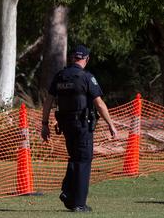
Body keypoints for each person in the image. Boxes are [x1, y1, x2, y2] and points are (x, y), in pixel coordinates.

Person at [41, 45, 118, 212]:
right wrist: (111, 124)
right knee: (84, 160)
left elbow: (48, 101)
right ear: (87, 59)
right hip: (82, 125)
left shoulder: (60, 76)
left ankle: (69, 195)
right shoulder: (86, 77)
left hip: (66, 125)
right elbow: (99, 104)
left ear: (71, 58)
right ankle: (78, 203)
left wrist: (44, 124)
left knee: (75, 157)